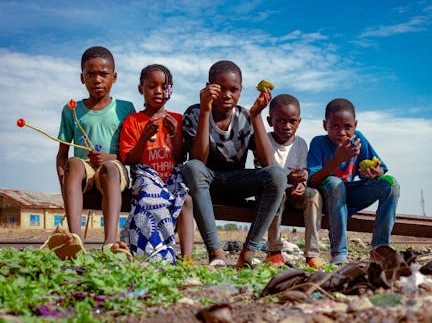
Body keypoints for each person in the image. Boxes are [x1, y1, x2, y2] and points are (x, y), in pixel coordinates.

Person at [182, 60, 287, 269]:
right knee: (192, 167)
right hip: (206, 181)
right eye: (221, 88)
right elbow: (198, 160)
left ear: (241, 91)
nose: (227, 95)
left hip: (236, 182)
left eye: (234, 89)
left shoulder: (245, 117)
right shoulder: (195, 113)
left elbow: (268, 163)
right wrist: (205, 112)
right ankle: (216, 253)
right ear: (208, 86)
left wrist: (256, 115)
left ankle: (248, 252)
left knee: (277, 175)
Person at [55, 46, 136, 259]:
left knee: (108, 168)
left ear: (114, 77)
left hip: (114, 168)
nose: (97, 79)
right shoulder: (71, 110)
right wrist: (63, 179)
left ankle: (110, 244)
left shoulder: (125, 108)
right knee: (73, 162)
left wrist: (111, 157)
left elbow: (134, 152)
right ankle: (74, 240)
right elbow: (62, 153)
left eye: (103, 74)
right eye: (90, 74)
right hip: (84, 172)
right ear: (82, 78)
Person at [307, 98, 400, 265]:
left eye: (347, 127)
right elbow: (312, 181)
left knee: (391, 184)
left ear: (355, 125)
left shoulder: (358, 140)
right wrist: (336, 160)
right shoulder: (318, 143)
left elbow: (382, 168)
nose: (342, 132)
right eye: (335, 126)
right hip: (328, 197)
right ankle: (339, 253)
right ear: (324, 125)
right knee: (336, 183)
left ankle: (380, 249)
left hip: (350, 195)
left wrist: (373, 172)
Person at [119, 64, 193, 264]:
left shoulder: (177, 120)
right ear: (140, 89)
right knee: (151, 200)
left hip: (171, 178)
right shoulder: (133, 121)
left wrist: (173, 134)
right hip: (146, 179)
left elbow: (180, 157)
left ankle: (187, 258)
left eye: (164, 86)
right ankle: (153, 254)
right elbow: (130, 159)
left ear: (171, 90)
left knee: (186, 200)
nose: (159, 92)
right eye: (152, 86)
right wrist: (143, 137)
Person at [256, 94, 324, 269]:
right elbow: (262, 174)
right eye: (281, 121)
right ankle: (274, 251)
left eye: (292, 121)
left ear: (299, 122)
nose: (287, 126)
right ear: (270, 121)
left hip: (294, 193)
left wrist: (301, 184)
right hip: (271, 192)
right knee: (276, 193)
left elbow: (303, 171)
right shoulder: (264, 141)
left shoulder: (300, 144)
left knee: (313, 196)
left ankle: (312, 254)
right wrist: (286, 180)